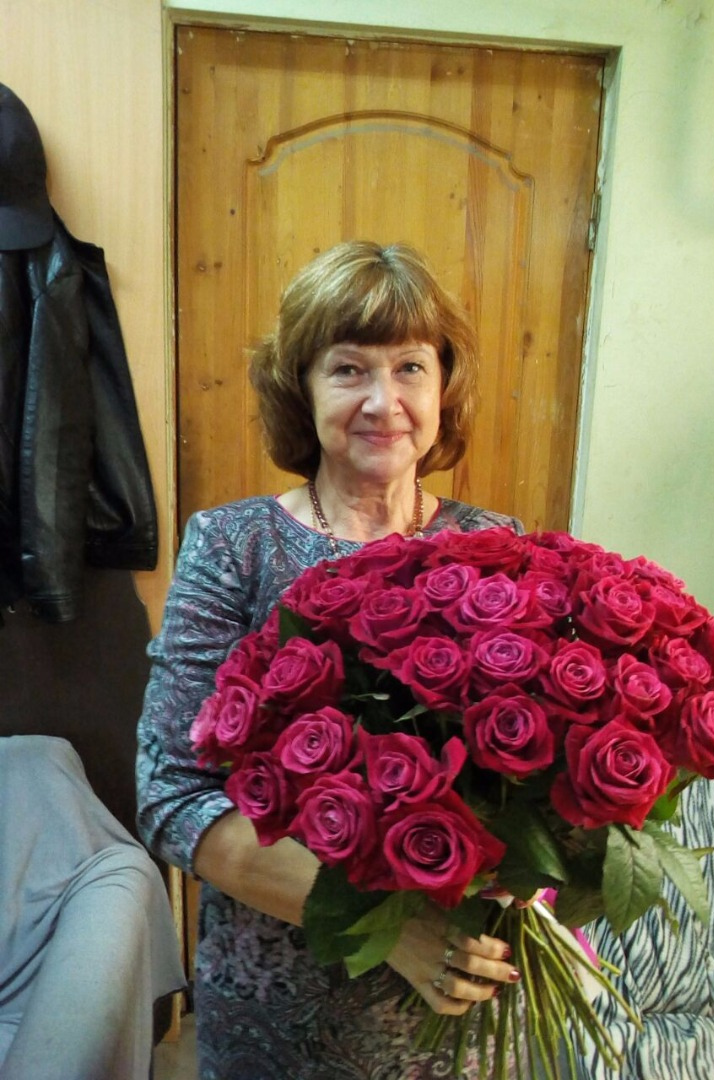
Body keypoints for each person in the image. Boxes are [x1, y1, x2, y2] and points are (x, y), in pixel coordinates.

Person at [136, 241, 534, 1080]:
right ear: (303, 388)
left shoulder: (496, 546)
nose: (384, 402)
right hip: (280, 1002)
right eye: (349, 369)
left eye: (410, 367)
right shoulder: (234, 545)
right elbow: (170, 796)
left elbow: (533, 773)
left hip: (454, 1007)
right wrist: (390, 929)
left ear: (443, 385)